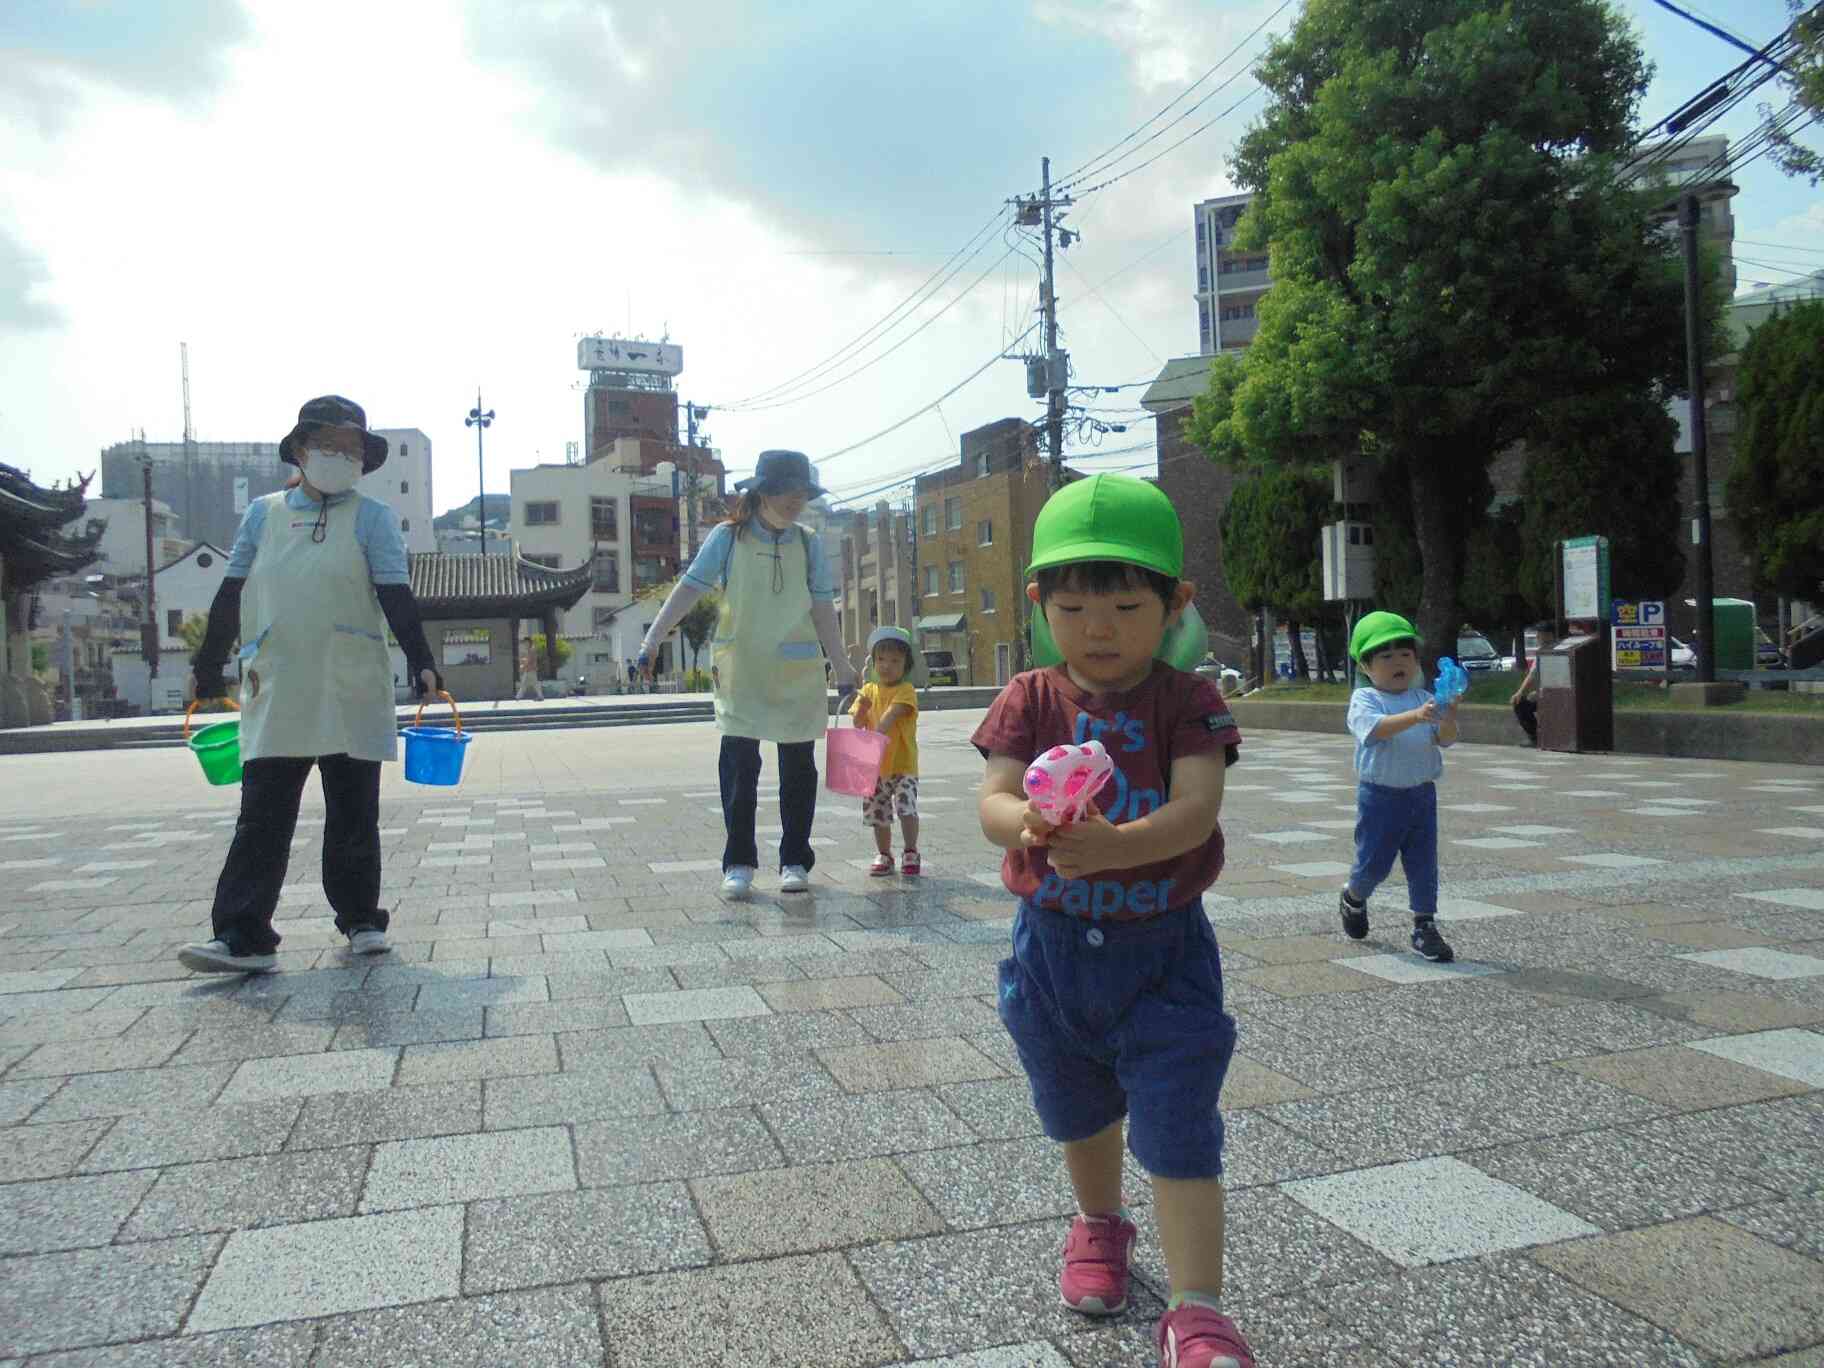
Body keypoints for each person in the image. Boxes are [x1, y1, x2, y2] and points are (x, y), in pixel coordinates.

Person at [972, 475, 1253, 1368]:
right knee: (1078, 1110)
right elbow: (992, 797)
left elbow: (1197, 810)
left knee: (1178, 1127)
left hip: (1164, 959)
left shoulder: (1187, 702)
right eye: (1075, 606)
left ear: (1176, 603)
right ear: (1038, 604)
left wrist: (1117, 846)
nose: (1099, 629)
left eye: (1127, 606)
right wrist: (1024, 824)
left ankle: (1198, 1307)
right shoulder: (1029, 697)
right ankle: (1098, 1223)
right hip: (1052, 959)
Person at [178, 396, 443, 974]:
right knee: (263, 814)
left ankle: (362, 920)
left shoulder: (373, 517)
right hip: (278, 680)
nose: (341, 457)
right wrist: (207, 665)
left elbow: (396, 593)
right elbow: (231, 591)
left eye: (352, 449)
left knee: (353, 809)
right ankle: (242, 935)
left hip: (351, 678)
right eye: (329, 445)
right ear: (300, 450)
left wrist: (422, 660)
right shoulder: (262, 514)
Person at [639, 450, 857, 898]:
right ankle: (738, 861)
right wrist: (652, 640)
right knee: (739, 768)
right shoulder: (727, 538)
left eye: (802, 493)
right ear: (762, 492)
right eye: (788, 492)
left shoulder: (808, 542)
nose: (797, 501)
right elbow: (689, 590)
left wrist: (842, 664)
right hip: (742, 669)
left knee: (798, 769)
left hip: (797, 670)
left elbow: (822, 609)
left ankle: (795, 857)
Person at [1338, 611, 1459, 963]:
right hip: (1381, 797)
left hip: (1422, 794)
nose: (1398, 663)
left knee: (1424, 863)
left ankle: (1425, 926)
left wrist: (1447, 717)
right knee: (1373, 864)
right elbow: (1375, 730)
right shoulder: (1366, 700)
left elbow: (1445, 740)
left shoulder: (1422, 696)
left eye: (1405, 655)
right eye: (1386, 657)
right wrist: (1417, 716)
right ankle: (1354, 897)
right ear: (1365, 666)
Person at [850, 624, 925, 877]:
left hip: (903, 764)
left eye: (895, 660)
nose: (886, 665)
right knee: (878, 812)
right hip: (875, 766)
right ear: (873, 662)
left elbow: (892, 715)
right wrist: (861, 709)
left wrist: (875, 734)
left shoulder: (906, 691)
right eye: (881, 659)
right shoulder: (868, 690)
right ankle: (884, 853)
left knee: (906, 807)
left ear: (906, 664)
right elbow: (857, 722)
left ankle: (911, 850)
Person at [1509, 620, 1557, 745]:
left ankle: (1542, 738)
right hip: (1546, 692)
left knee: (1523, 702)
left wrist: (1525, 693)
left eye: (1540, 634)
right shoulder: (1541, 651)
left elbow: (1533, 676)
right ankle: (1535, 737)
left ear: (1550, 635)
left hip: (1558, 693)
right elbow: (1532, 675)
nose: (1537, 637)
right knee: (1520, 704)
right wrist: (1521, 693)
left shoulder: (1557, 650)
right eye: (1538, 634)